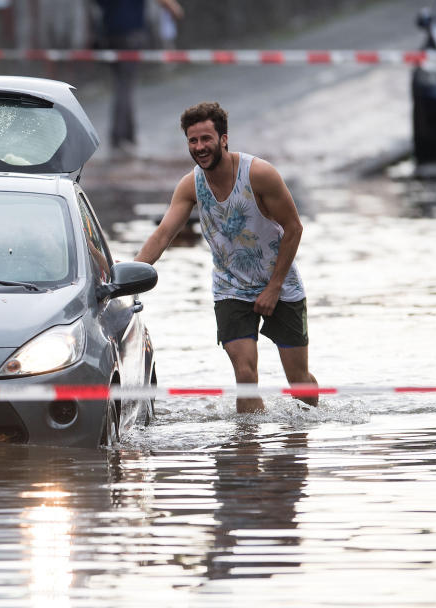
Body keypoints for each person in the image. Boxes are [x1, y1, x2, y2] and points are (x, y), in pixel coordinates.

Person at [134, 102, 318, 413]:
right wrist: (129, 276)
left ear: (224, 139)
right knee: (245, 376)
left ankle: (302, 441)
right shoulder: (191, 184)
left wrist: (273, 288)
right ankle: (248, 451)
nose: (200, 147)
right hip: (230, 287)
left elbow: (294, 228)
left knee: (298, 379)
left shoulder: (259, 174)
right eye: (193, 141)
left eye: (206, 139)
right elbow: (163, 234)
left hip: (280, 285)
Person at [94, 0, 183, 157]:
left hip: (110, 34)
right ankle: (120, 137)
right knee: (124, 86)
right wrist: (173, 8)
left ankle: (128, 135)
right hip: (130, 33)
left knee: (123, 85)